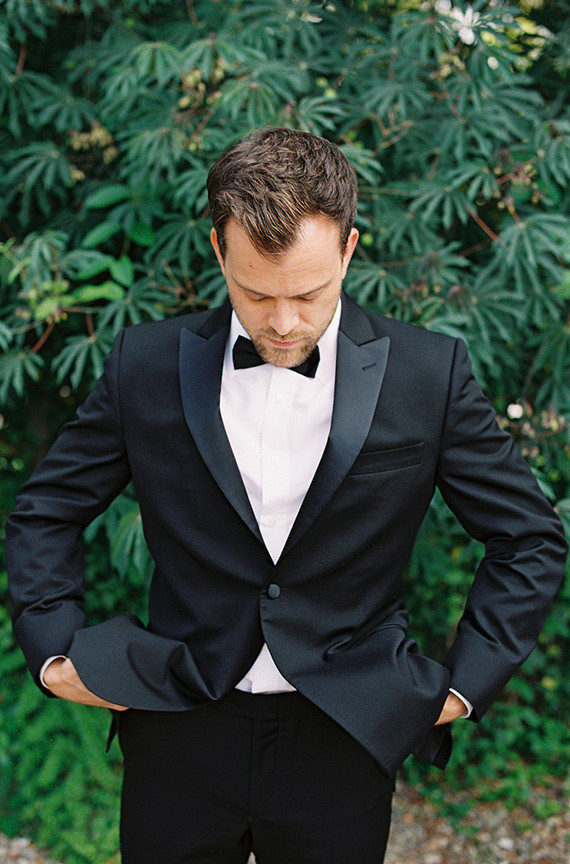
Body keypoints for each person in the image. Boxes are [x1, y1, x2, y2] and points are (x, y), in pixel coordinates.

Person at [6, 128, 567, 864]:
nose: (282, 323)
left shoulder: (429, 375)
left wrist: (464, 686)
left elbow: (528, 537)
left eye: (307, 293)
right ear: (218, 250)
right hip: (177, 724)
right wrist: (52, 648)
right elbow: (46, 511)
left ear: (349, 249)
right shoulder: (143, 363)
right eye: (255, 293)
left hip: (343, 732)